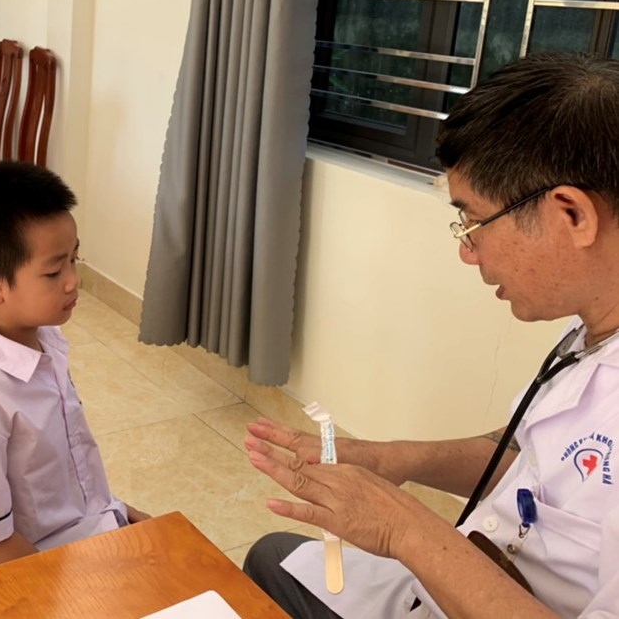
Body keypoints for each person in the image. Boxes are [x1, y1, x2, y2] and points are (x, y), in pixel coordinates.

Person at [243, 54, 619, 619]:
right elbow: (531, 451)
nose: (468, 252)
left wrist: (403, 528)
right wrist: (396, 459)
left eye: (474, 222)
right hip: (470, 579)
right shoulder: (593, 324)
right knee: (274, 558)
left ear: (572, 215)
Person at [0, 161, 151, 582]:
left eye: (74, 259)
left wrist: (119, 514)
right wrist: (76, 592)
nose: (73, 281)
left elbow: (69, 469)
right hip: (14, 578)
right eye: (54, 270)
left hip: (73, 534)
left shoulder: (44, 344)